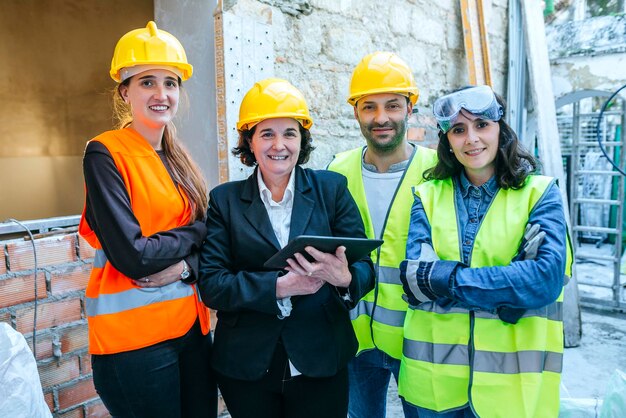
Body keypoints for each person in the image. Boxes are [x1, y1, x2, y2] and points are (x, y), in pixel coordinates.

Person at [198, 78, 375, 418]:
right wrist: (280, 287)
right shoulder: (225, 200)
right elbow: (213, 284)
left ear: (302, 139)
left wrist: (346, 278)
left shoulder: (332, 189)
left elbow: (365, 266)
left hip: (322, 358)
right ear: (249, 141)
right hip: (247, 366)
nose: (279, 145)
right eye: (267, 134)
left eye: (289, 133)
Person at [398, 85, 572, 418]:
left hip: (510, 392)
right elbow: (415, 281)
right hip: (435, 388)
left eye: (481, 124)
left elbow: (544, 280)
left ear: (500, 128)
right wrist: (508, 286)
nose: (471, 138)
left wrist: (446, 279)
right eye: (459, 130)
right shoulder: (427, 195)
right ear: (447, 139)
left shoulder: (540, 194)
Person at [78, 21, 216, 418]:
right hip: (134, 344)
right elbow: (133, 256)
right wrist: (198, 232)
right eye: (147, 82)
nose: (161, 94)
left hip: (191, 330)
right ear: (125, 91)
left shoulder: (178, 159)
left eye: (170, 83)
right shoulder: (105, 153)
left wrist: (185, 268)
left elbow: (211, 245)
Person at [327, 51, 437, 418]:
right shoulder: (337, 170)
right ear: (356, 111)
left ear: (410, 108)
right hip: (357, 341)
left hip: (420, 340)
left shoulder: (438, 171)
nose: (381, 117)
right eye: (369, 106)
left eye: (392, 105)